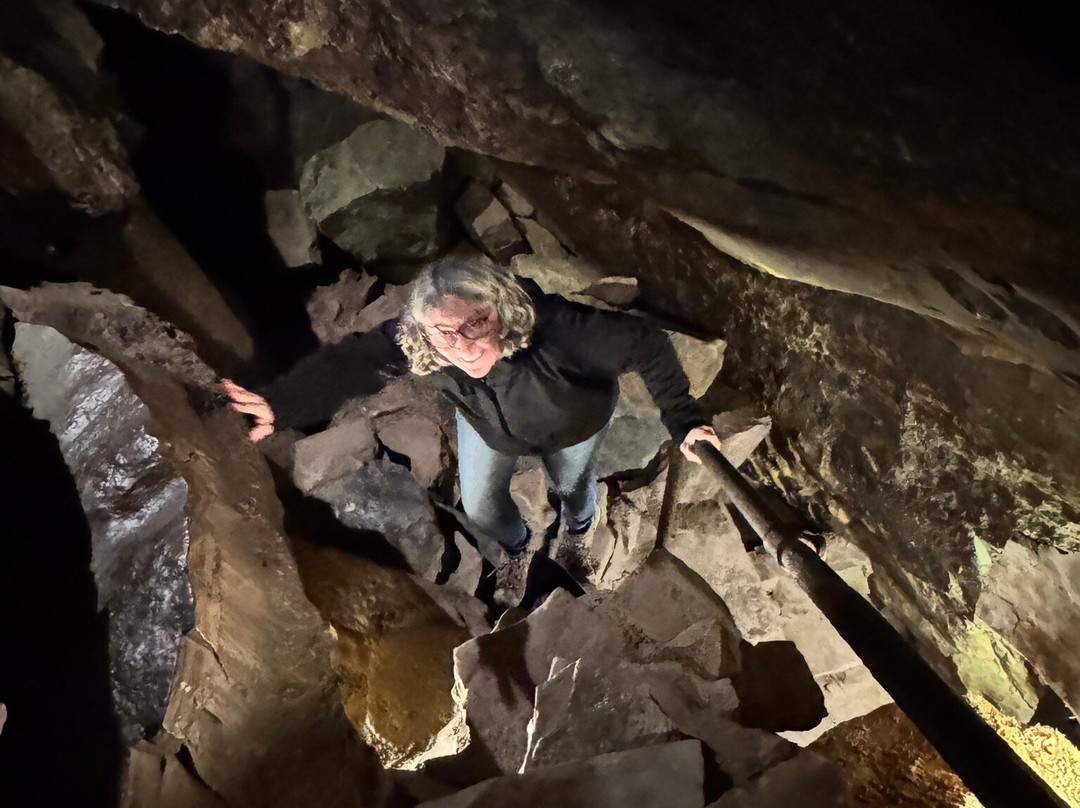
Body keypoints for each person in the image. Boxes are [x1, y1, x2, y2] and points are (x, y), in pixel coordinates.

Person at [224, 254, 722, 556]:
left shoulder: (559, 330)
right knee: (482, 507)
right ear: (424, 331)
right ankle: (520, 547)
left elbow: (647, 345)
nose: (460, 345)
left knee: (572, 484)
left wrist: (685, 421)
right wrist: (282, 404)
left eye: (475, 324)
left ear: (500, 311)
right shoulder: (423, 342)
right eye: (443, 332)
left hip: (573, 422)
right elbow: (353, 363)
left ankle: (578, 526)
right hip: (492, 428)